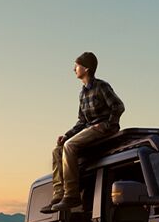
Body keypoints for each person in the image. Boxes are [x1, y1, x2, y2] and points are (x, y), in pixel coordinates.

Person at [41, 52, 125, 213]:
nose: (74, 69)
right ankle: (58, 195)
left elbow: (118, 106)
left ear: (86, 68)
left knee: (70, 147)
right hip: (89, 128)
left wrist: (109, 125)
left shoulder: (102, 86)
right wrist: (66, 135)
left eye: (77, 65)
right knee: (58, 150)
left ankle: (72, 195)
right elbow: (82, 121)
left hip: (103, 129)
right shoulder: (82, 93)